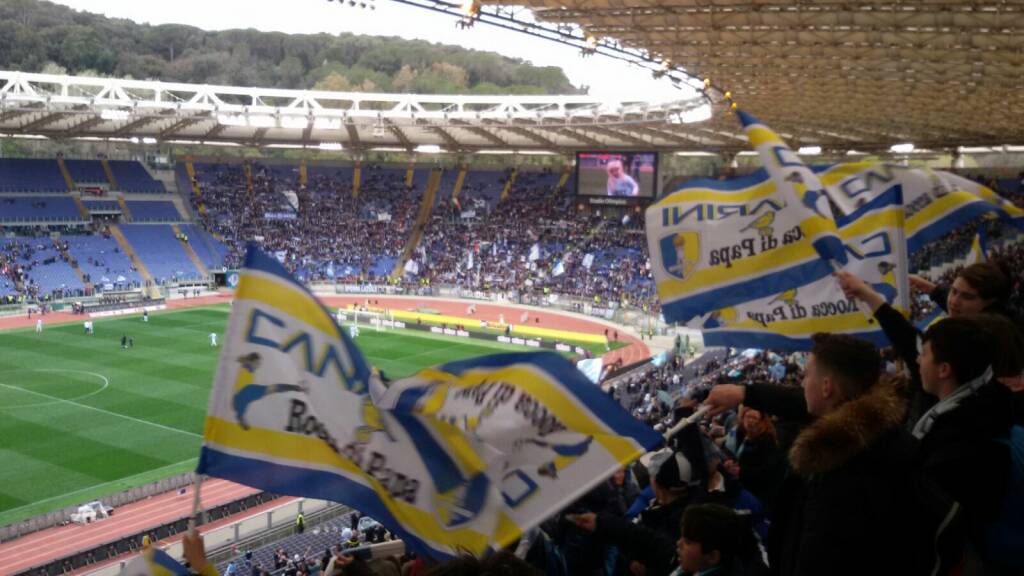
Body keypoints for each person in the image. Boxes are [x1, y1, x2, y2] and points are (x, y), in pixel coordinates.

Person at [703, 333, 938, 576]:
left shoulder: (838, 476)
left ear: (827, 387)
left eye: (806, 375)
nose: (802, 384)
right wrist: (745, 393)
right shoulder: (876, 431)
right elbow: (803, 402)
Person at [913, 317, 1014, 571]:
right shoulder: (985, 409)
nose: (917, 361)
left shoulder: (958, 445)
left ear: (944, 369)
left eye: (923, 354)